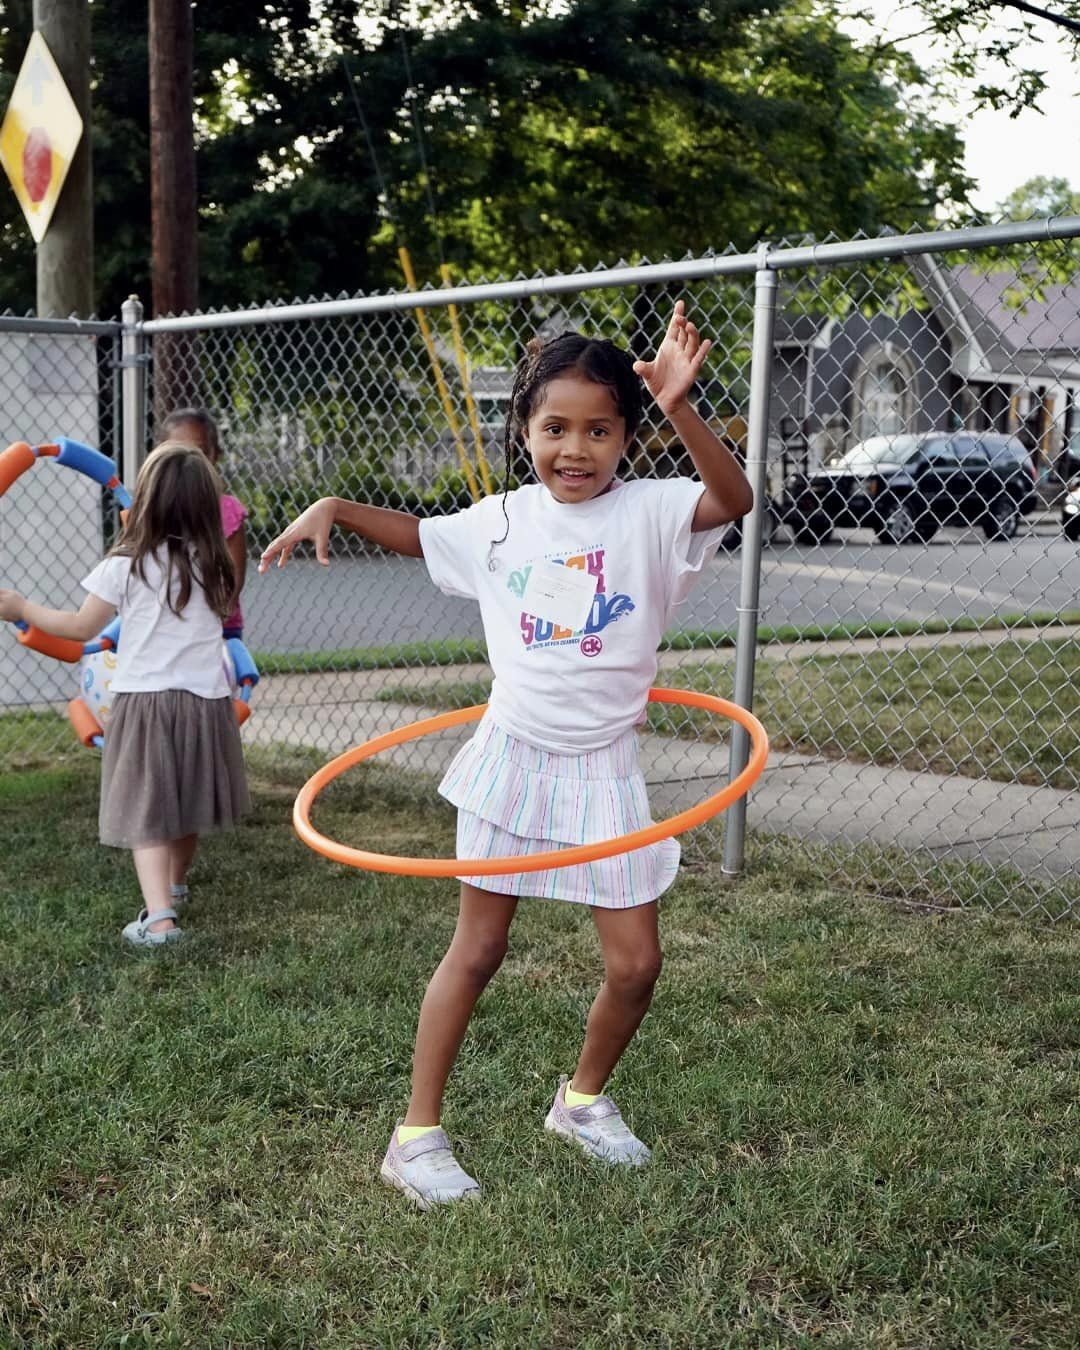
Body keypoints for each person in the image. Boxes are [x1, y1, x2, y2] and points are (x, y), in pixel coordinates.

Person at [259, 301, 752, 1208]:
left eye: (599, 430)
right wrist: (334, 505)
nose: (576, 448)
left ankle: (582, 1102)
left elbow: (735, 499)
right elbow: (420, 533)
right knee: (479, 950)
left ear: (627, 438)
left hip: (604, 764)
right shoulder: (498, 522)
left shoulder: (652, 512)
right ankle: (415, 1137)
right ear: (523, 428)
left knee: (637, 965)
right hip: (514, 756)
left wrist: (684, 406)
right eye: (555, 427)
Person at [0, 443, 251, 946]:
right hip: (206, 702)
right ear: (206, 505)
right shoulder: (215, 562)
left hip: (147, 704)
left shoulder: (127, 563)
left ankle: (159, 920)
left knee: (147, 811)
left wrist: (21, 606)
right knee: (188, 801)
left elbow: (77, 626)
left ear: (145, 503)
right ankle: (175, 886)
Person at [159, 408, 248, 640]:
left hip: (218, 627)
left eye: (198, 451)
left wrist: (212, 618)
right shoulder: (155, 510)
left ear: (214, 455)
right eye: (177, 452)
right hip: (166, 626)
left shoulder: (226, 510)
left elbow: (234, 577)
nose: (188, 462)